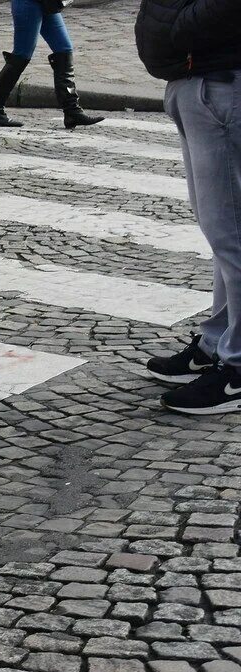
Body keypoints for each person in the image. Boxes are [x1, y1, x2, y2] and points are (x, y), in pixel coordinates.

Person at [137, 0, 241, 415]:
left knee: (231, 235)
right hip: (200, 80)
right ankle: (217, 343)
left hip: (219, 80)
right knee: (223, 234)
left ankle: (237, 369)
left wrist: (179, 24)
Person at [0, 0, 104, 128]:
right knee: (22, 55)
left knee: (64, 49)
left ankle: (72, 111)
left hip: (47, 3)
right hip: (27, 3)